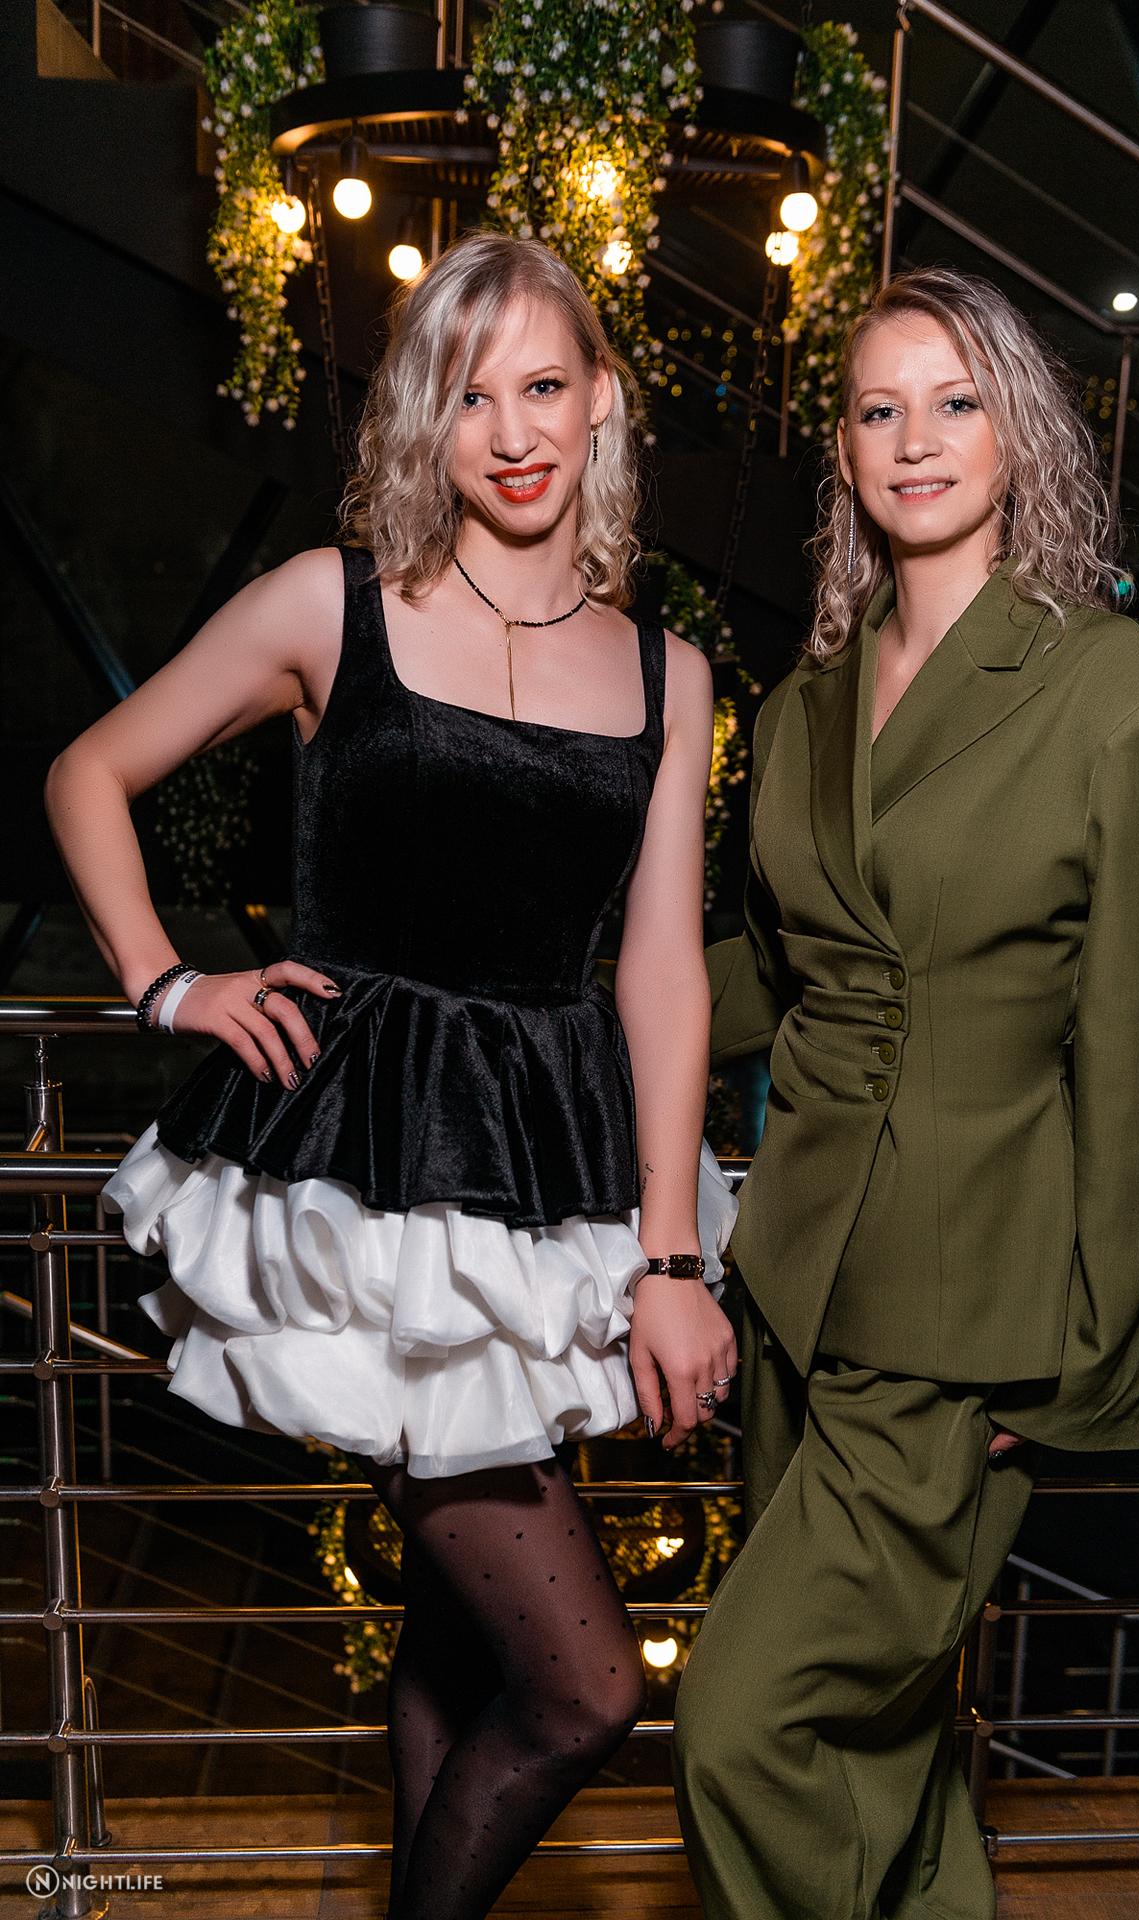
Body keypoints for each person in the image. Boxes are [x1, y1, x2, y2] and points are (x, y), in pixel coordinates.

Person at [45, 231, 738, 1920]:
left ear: (601, 401)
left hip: (544, 1178)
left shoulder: (668, 672)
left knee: (456, 1648)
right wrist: (166, 983)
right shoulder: (325, 601)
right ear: (424, 418)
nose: (511, 431)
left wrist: (667, 1257)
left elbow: (658, 969)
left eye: (544, 386)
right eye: (467, 394)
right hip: (360, 1172)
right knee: (585, 1689)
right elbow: (90, 771)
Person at [672, 268, 1139, 1920]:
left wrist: (1090, 1355)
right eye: (876, 408)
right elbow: (784, 971)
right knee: (881, 1759)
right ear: (841, 450)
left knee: (741, 1723)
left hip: (971, 1321)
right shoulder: (805, 702)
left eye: (954, 402)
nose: (914, 440)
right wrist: (558, 1014)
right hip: (793, 1286)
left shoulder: (1115, 697)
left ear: (1017, 432)